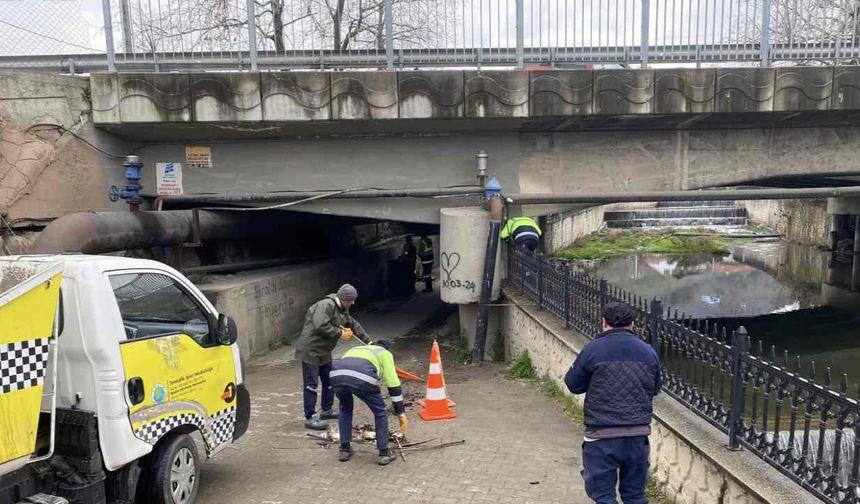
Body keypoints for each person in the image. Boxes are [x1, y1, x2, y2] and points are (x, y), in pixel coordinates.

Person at [564, 302, 661, 504]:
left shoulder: (592, 350)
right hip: (637, 435)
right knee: (635, 496)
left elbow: (573, 384)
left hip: (601, 434)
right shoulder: (648, 351)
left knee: (603, 496)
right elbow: (656, 387)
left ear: (604, 323)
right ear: (632, 324)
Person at [294, 284, 368, 430]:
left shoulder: (343, 309)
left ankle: (327, 410)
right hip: (311, 350)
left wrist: (369, 342)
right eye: (351, 300)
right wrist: (339, 333)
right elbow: (319, 325)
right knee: (311, 385)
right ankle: (310, 417)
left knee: (330, 380)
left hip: (324, 351)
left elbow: (353, 324)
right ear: (344, 298)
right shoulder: (325, 305)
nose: (352, 303)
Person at [330, 339, 408, 466]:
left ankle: (344, 449)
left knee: (345, 409)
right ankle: (384, 453)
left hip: (336, 376)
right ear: (386, 348)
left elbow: (345, 365)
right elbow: (393, 383)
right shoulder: (385, 353)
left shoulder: (356, 349)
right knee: (380, 412)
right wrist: (400, 412)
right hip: (362, 379)